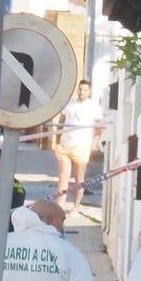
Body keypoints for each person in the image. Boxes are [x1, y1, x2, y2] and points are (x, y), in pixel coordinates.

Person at [54, 80, 102, 210]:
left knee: (79, 179)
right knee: (63, 177)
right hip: (65, 146)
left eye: (85, 90)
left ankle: (76, 207)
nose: (82, 92)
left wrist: (94, 143)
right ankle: (60, 207)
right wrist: (58, 139)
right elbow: (61, 121)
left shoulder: (93, 107)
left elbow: (98, 127)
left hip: (82, 146)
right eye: (80, 89)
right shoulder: (70, 104)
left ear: (89, 91)